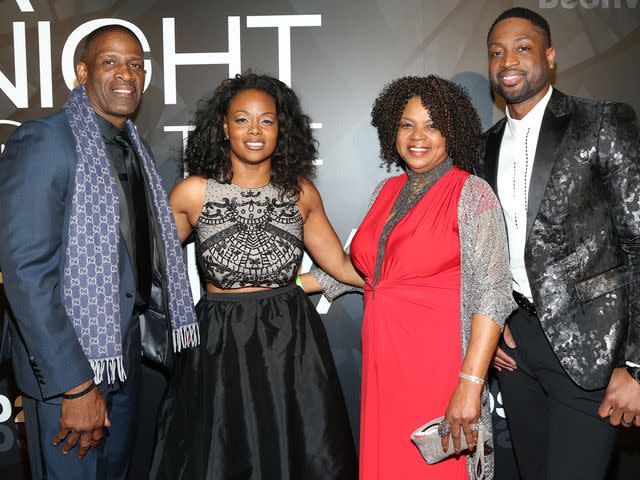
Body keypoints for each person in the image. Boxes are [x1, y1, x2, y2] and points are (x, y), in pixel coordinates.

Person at [0, 25, 197, 479]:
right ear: (82, 71)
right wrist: (75, 385)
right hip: (68, 369)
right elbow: (27, 274)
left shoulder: (136, 149)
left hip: (122, 356)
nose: (126, 74)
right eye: (110, 62)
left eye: (136, 65)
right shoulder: (45, 141)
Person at [149, 73, 359, 479]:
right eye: (242, 119)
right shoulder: (192, 193)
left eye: (267, 120)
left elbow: (342, 267)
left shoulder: (301, 193)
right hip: (217, 342)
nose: (255, 131)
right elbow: (149, 267)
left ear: (282, 128)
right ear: (224, 128)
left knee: (298, 450)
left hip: (291, 341)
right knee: (218, 455)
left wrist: (409, 276)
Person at [307, 75, 514, 479]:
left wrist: (470, 383)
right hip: (384, 367)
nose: (418, 136)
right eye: (407, 124)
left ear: (451, 132)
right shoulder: (385, 190)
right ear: (392, 130)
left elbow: (493, 294)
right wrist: (282, 285)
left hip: (439, 368)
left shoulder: (471, 193)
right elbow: (364, 271)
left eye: (433, 125)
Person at [478, 7, 640, 479]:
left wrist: (635, 364)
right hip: (516, 349)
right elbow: (484, 251)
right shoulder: (483, 146)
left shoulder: (601, 122)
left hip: (593, 345)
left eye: (522, 48)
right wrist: (490, 325)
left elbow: (637, 242)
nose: (508, 60)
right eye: (496, 52)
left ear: (549, 57)